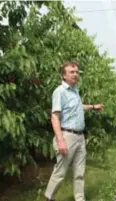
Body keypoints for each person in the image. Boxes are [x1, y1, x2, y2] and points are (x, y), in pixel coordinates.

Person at [44, 61, 104, 201]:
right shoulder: (60, 92)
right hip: (67, 136)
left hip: (80, 137)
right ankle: (49, 197)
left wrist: (94, 107)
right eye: (72, 72)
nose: (75, 74)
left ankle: (80, 199)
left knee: (79, 173)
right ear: (64, 75)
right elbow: (55, 116)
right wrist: (61, 141)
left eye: (77, 72)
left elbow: (78, 107)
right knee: (60, 172)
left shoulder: (75, 90)